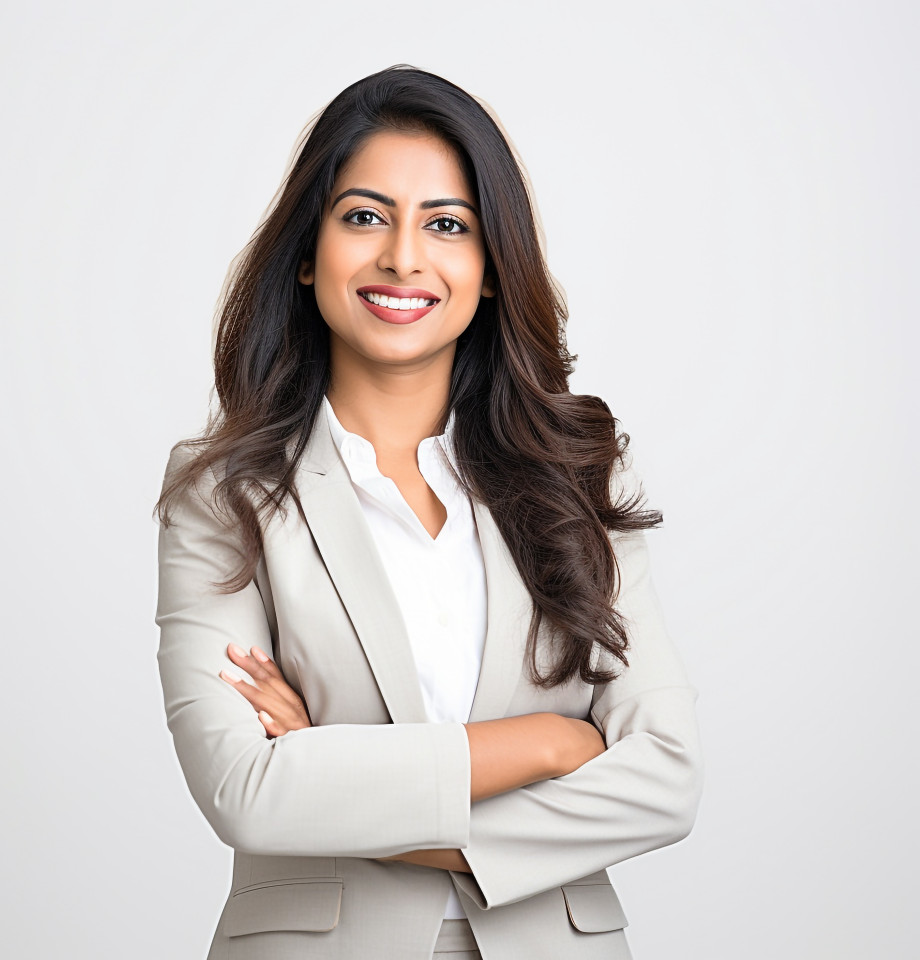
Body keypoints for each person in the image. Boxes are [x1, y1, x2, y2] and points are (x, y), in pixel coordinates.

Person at [154, 64, 703, 960]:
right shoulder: (224, 493)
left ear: (489, 271)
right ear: (306, 252)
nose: (403, 257)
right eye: (364, 216)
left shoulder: (574, 476)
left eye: (447, 225)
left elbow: (666, 781)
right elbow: (244, 789)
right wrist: (547, 744)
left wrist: (337, 774)